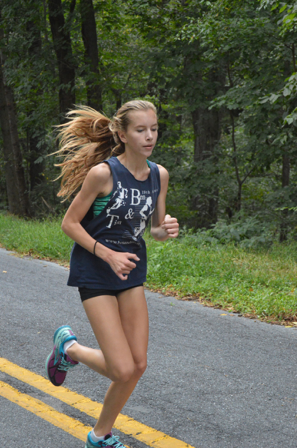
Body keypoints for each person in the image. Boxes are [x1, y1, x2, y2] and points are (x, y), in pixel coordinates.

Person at [45, 100, 179, 448]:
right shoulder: (104, 174)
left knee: (137, 365)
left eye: (154, 129)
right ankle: (69, 348)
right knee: (121, 369)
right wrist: (107, 254)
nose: (149, 136)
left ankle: (99, 436)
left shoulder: (158, 175)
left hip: (130, 271)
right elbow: (69, 224)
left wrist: (168, 228)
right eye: (140, 130)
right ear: (121, 133)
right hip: (95, 270)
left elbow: (154, 229)